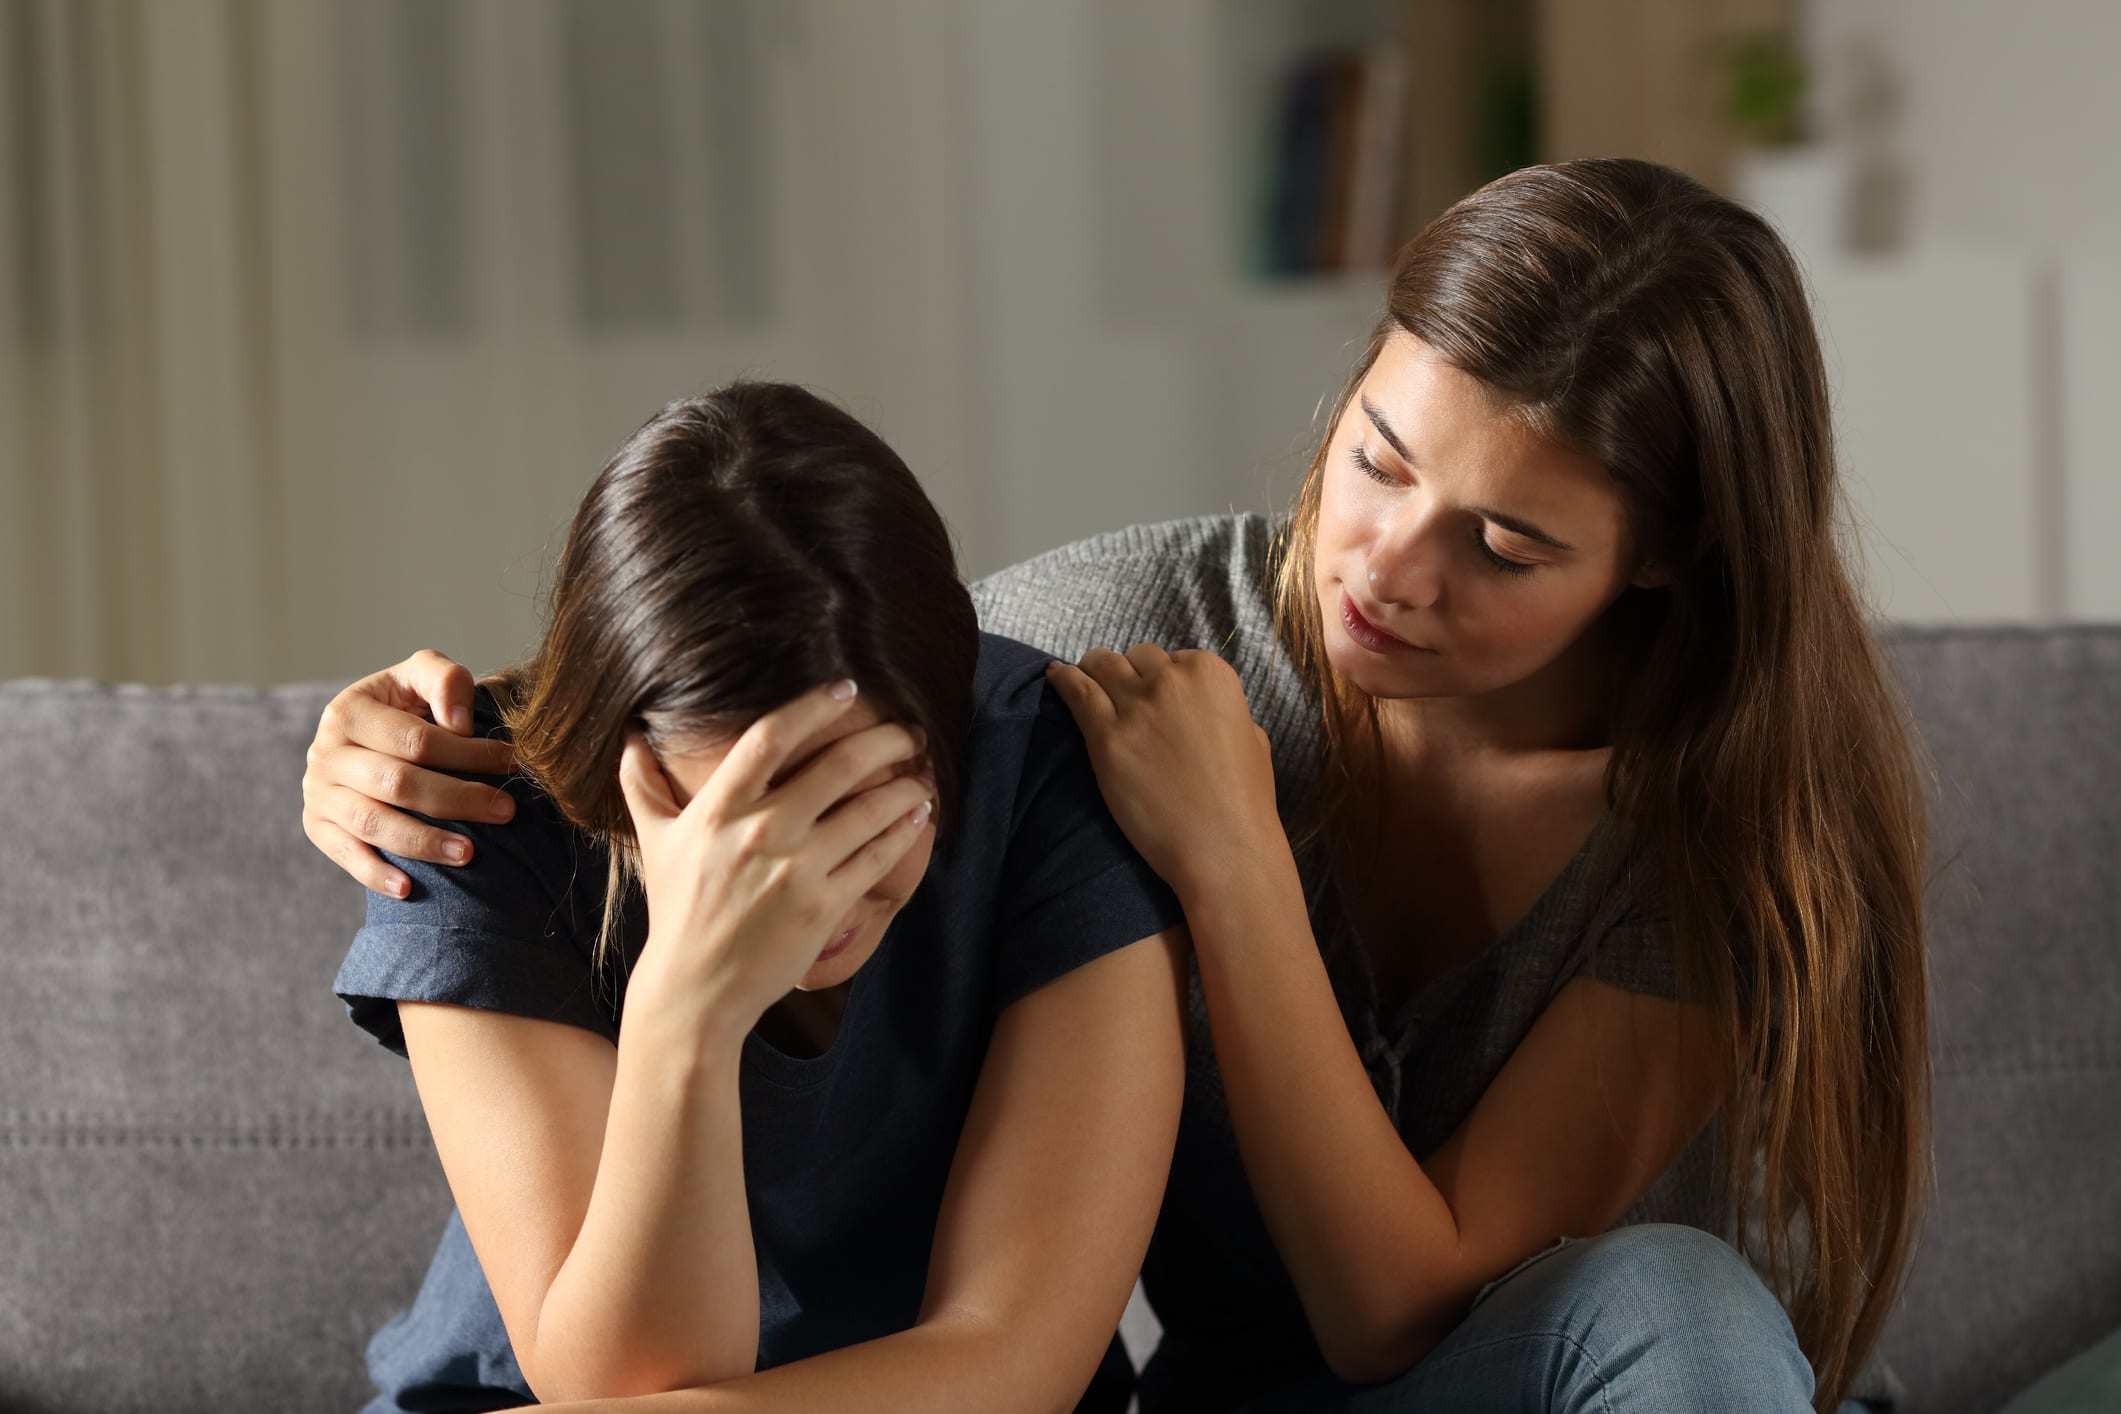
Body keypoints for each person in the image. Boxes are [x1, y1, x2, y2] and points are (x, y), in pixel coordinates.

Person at [304, 160, 1928, 1414]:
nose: (1389, 567)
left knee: (1683, 1294)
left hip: (1540, 1375)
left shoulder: (1744, 832)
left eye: (1505, 545)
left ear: (1667, 558)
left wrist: (1227, 861)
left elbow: (1393, 1304)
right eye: (1376, 455)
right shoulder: (1104, 645)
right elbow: (815, 641)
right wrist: (382, 739)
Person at [318, 380, 1191, 1412]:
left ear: (943, 737)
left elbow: (1013, 1358)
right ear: (626, 768)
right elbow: (619, 1381)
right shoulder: (472, 813)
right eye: (745, 829)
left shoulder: (1048, 772)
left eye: (865, 812)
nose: (811, 895)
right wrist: (687, 1003)